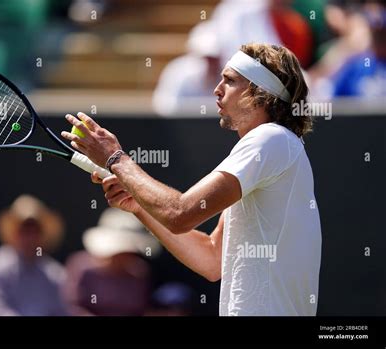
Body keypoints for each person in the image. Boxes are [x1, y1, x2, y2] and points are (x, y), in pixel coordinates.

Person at [61, 43, 322, 316]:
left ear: (260, 94)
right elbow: (211, 260)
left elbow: (180, 213)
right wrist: (138, 205)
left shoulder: (271, 138)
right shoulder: (275, 147)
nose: (216, 89)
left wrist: (116, 158)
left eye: (230, 81)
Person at [0, 195, 67, 316]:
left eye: (34, 231)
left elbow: (61, 311)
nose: (29, 237)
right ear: (14, 233)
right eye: (24, 231)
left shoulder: (55, 274)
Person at [64, 208, 159, 316]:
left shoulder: (140, 273)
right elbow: (71, 306)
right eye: (122, 251)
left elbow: (142, 309)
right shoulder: (81, 266)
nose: (125, 256)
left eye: (129, 251)